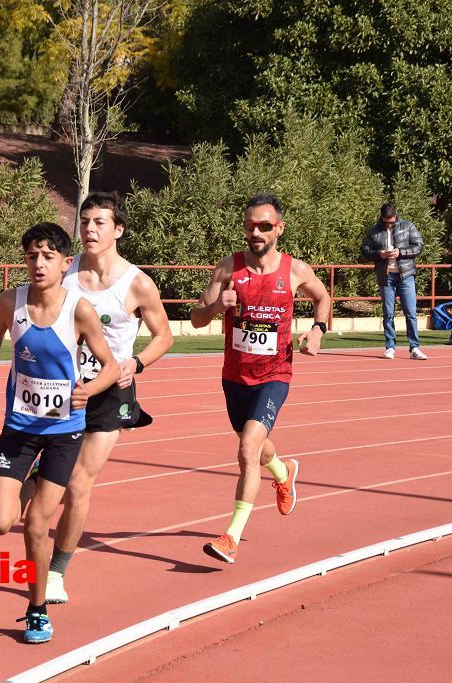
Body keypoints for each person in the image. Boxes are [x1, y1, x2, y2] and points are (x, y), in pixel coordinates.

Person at [0, 222, 119, 644]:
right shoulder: (10, 302)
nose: (39, 264)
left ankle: (36, 610)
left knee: (36, 523)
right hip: (18, 427)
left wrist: (89, 389)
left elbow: (109, 365)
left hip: (63, 432)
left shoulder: (80, 310)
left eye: (48, 256)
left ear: (65, 263)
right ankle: (32, 478)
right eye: (32, 255)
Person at [40, 192, 173, 605]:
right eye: (85, 222)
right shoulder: (65, 271)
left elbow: (165, 336)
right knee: (45, 485)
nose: (89, 230)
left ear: (118, 230)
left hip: (110, 392)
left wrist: (137, 362)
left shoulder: (136, 283)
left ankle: (56, 573)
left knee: (79, 482)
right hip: (61, 390)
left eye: (99, 223)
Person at [190, 193, 332, 564]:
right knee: (257, 446)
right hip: (235, 375)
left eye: (264, 226)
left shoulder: (295, 270)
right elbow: (196, 317)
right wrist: (217, 306)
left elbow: (323, 298)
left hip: (275, 374)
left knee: (247, 448)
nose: (256, 231)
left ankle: (231, 537)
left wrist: (317, 330)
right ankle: (285, 472)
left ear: (278, 229)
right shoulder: (228, 268)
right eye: (250, 225)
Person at [360, 203, 427, 360]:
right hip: (386, 276)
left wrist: (401, 252)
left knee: (411, 313)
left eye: (391, 220)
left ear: (396, 216)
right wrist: (379, 254)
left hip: (406, 275)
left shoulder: (408, 226)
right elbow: (365, 250)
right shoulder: (374, 230)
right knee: (388, 313)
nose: (388, 224)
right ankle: (390, 347)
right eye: (385, 221)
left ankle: (414, 348)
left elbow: (419, 246)